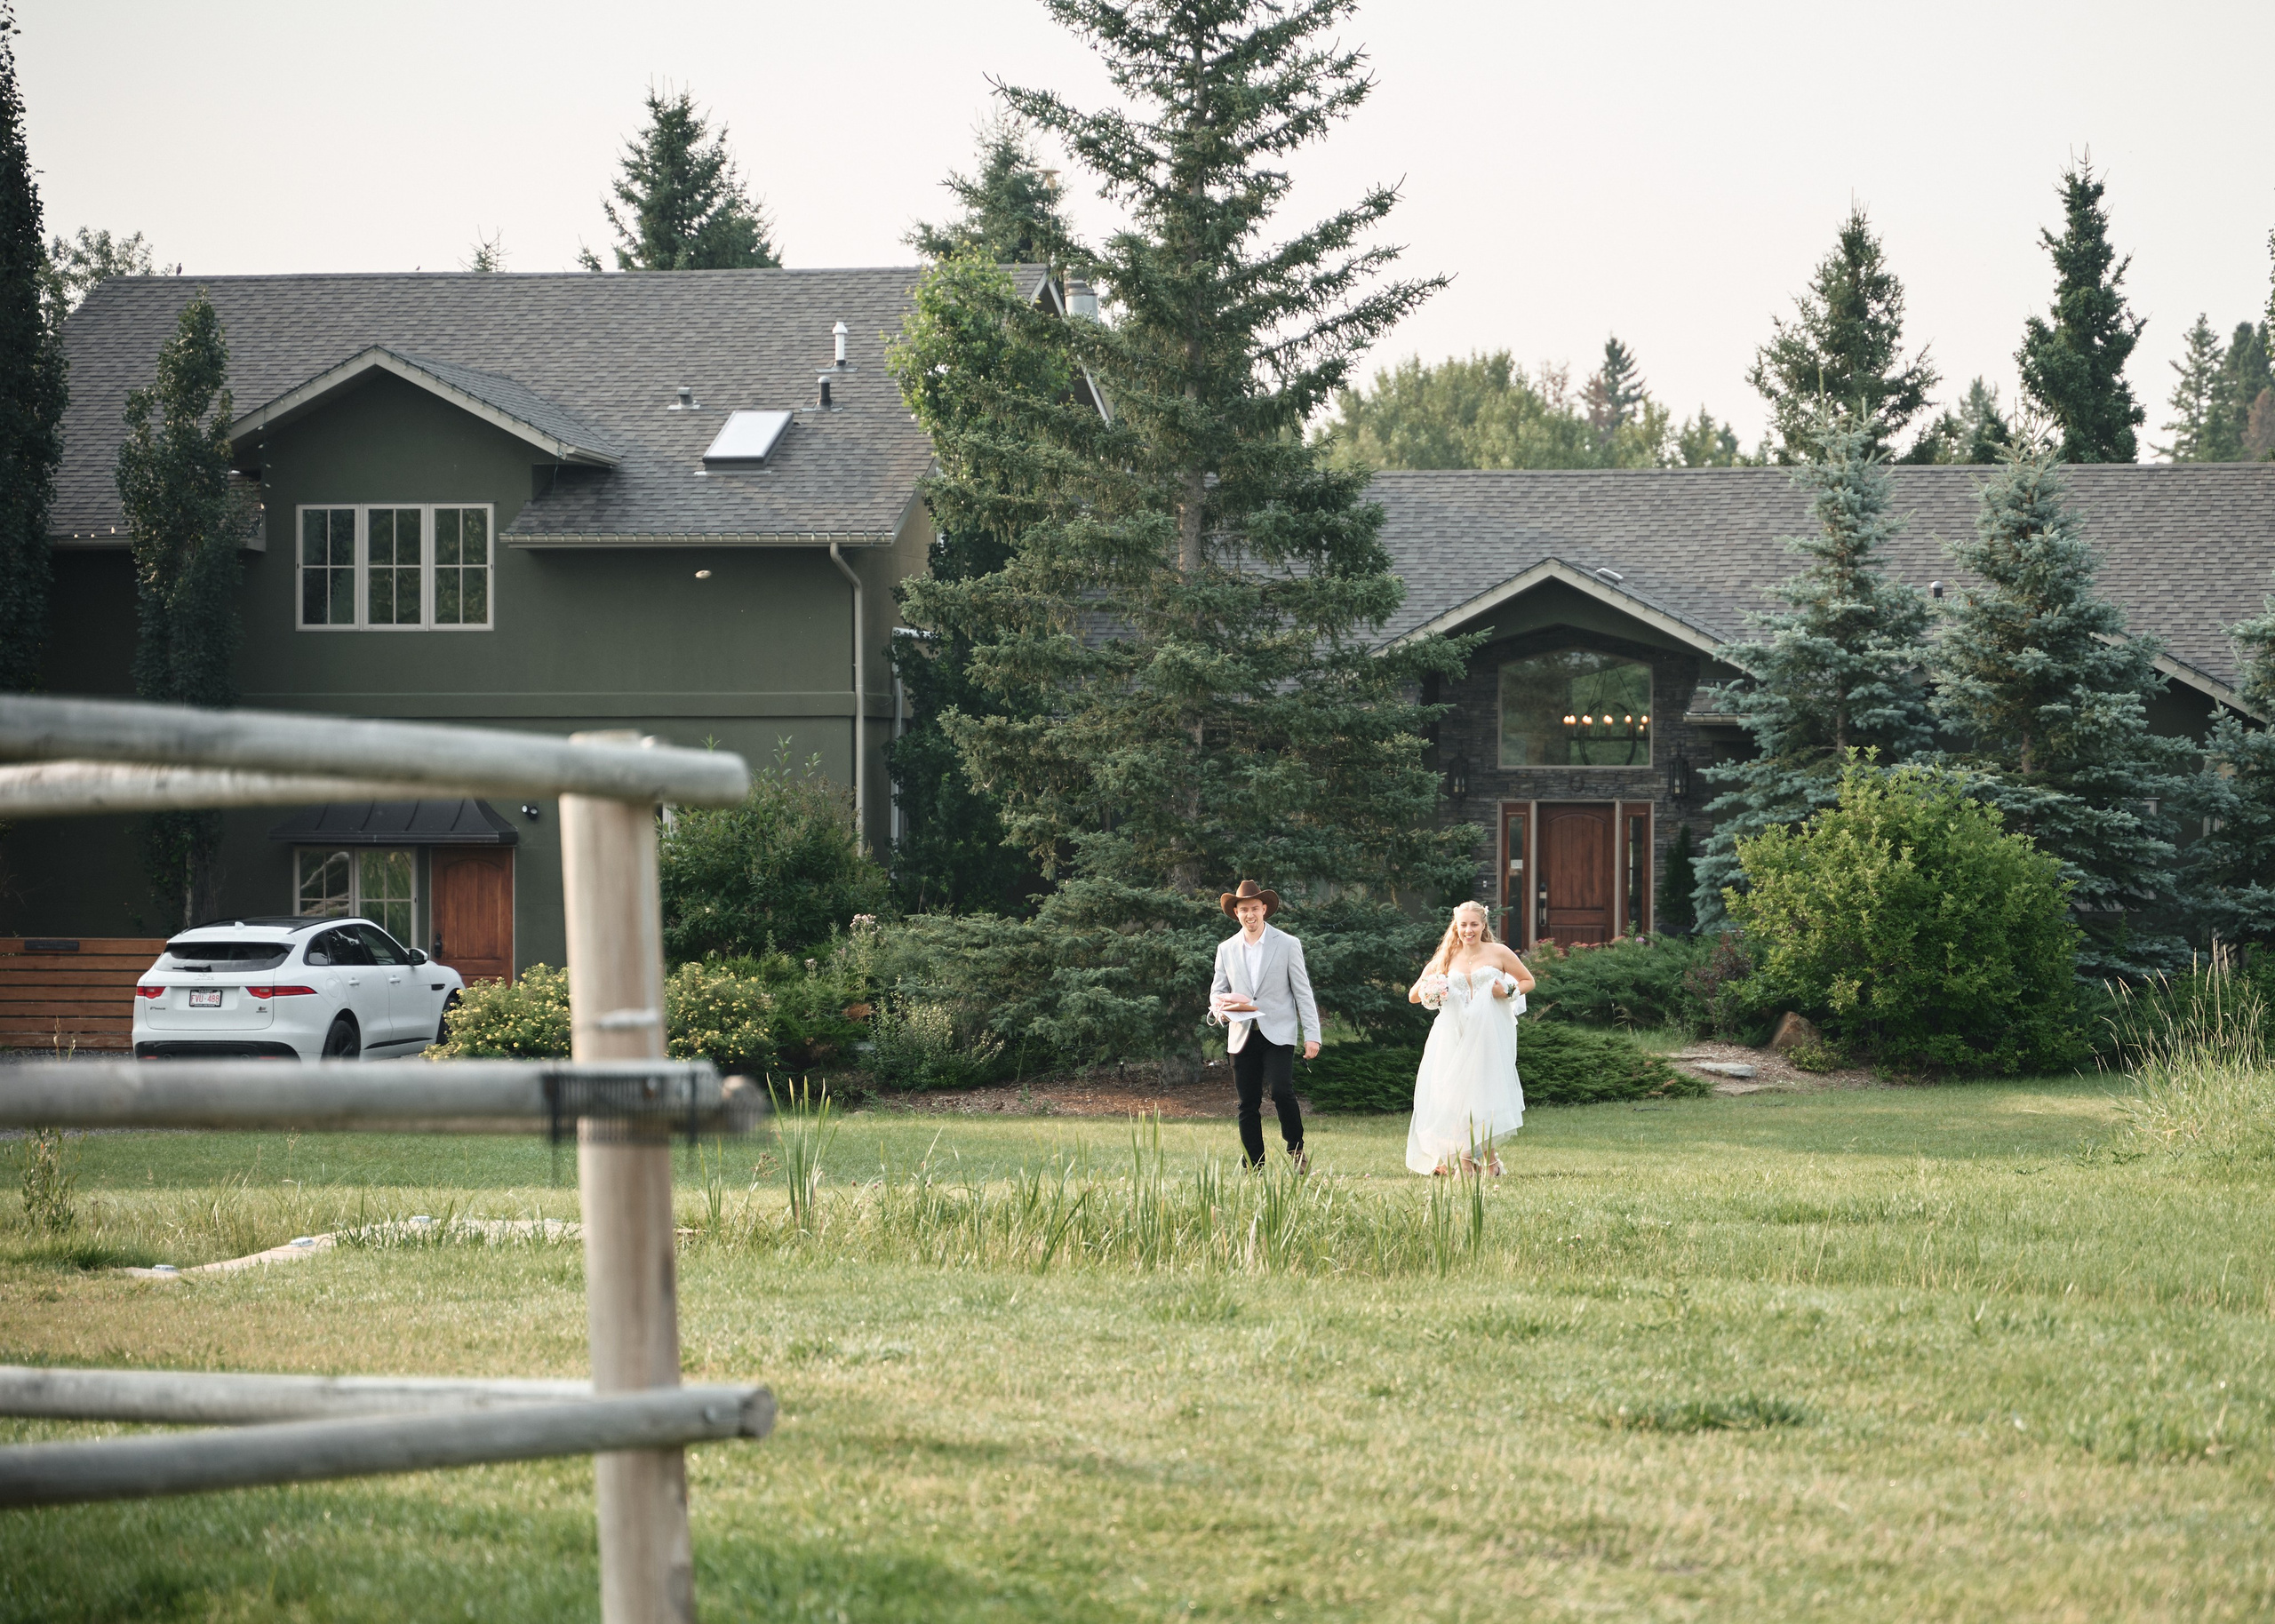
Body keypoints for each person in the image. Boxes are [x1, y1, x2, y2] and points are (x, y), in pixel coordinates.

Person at [1405, 900, 1534, 1176]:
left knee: (1483, 1093)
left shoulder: (1498, 952)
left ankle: (1489, 1161)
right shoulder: (1447, 957)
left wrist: (1507, 991)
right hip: (1453, 1033)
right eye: (1462, 925)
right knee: (1455, 1096)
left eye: (1474, 924)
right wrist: (1434, 989)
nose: (1468, 930)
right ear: (1456, 926)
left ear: (1483, 924)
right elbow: (1414, 995)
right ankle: (1464, 1159)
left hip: (1489, 1035)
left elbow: (1527, 981)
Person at [1207, 880, 1321, 1172]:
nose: (1250, 914)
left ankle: (1296, 1150)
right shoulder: (1226, 949)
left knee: (1282, 1090)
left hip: (1278, 1031)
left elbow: (1303, 992)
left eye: (1255, 908)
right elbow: (1217, 992)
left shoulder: (1287, 944)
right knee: (1247, 1102)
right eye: (1243, 909)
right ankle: (1253, 1164)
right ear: (1237, 913)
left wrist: (1312, 1036)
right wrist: (1222, 1011)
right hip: (1242, 1035)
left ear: (1264, 909)